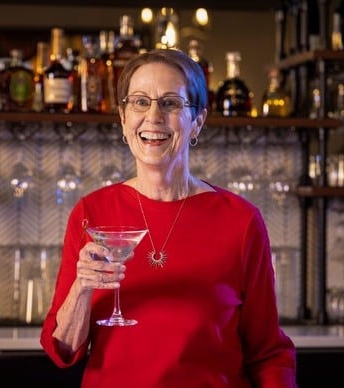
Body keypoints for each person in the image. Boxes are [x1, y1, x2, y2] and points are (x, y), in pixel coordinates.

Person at [40, 48, 297, 387]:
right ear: (123, 117)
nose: (153, 116)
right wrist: (82, 288)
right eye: (140, 102)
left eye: (171, 103)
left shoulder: (241, 221)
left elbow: (267, 352)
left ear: (198, 121)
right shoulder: (92, 214)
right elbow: (64, 350)